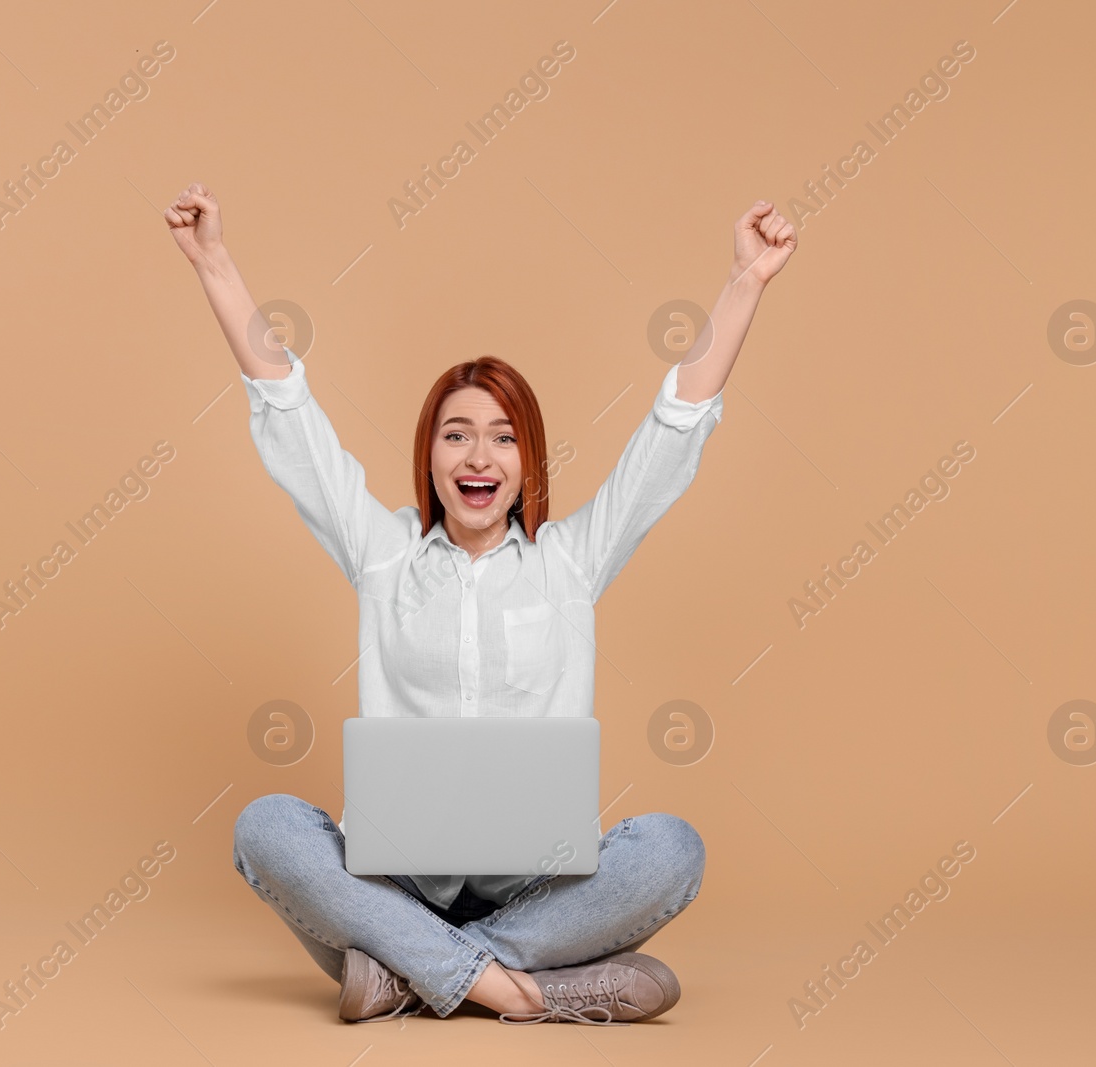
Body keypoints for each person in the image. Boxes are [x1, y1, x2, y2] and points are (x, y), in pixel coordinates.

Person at [165, 182, 795, 1025]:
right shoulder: (384, 553)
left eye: (503, 436)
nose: (479, 453)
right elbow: (292, 416)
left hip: (536, 887)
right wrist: (215, 263)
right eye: (456, 431)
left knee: (673, 849)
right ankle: (524, 989)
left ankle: (411, 974)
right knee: (266, 825)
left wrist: (743, 282)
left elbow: (672, 433)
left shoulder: (570, 560)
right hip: (393, 884)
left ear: (527, 458)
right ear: (429, 453)